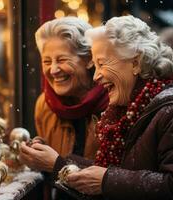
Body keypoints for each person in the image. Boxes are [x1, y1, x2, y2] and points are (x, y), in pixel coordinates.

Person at [21, 15, 173, 200]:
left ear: (136, 63)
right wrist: (62, 166)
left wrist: (106, 181)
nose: (96, 76)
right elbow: (112, 175)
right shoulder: (133, 107)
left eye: (101, 64)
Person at [20, 17, 108, 199]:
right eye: (46, 61)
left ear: (89, 59)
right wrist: (37, 154)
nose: (53, 70)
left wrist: (57, 164)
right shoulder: (44, 104)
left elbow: (115, 178)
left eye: (61, 59)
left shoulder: (115, 101)